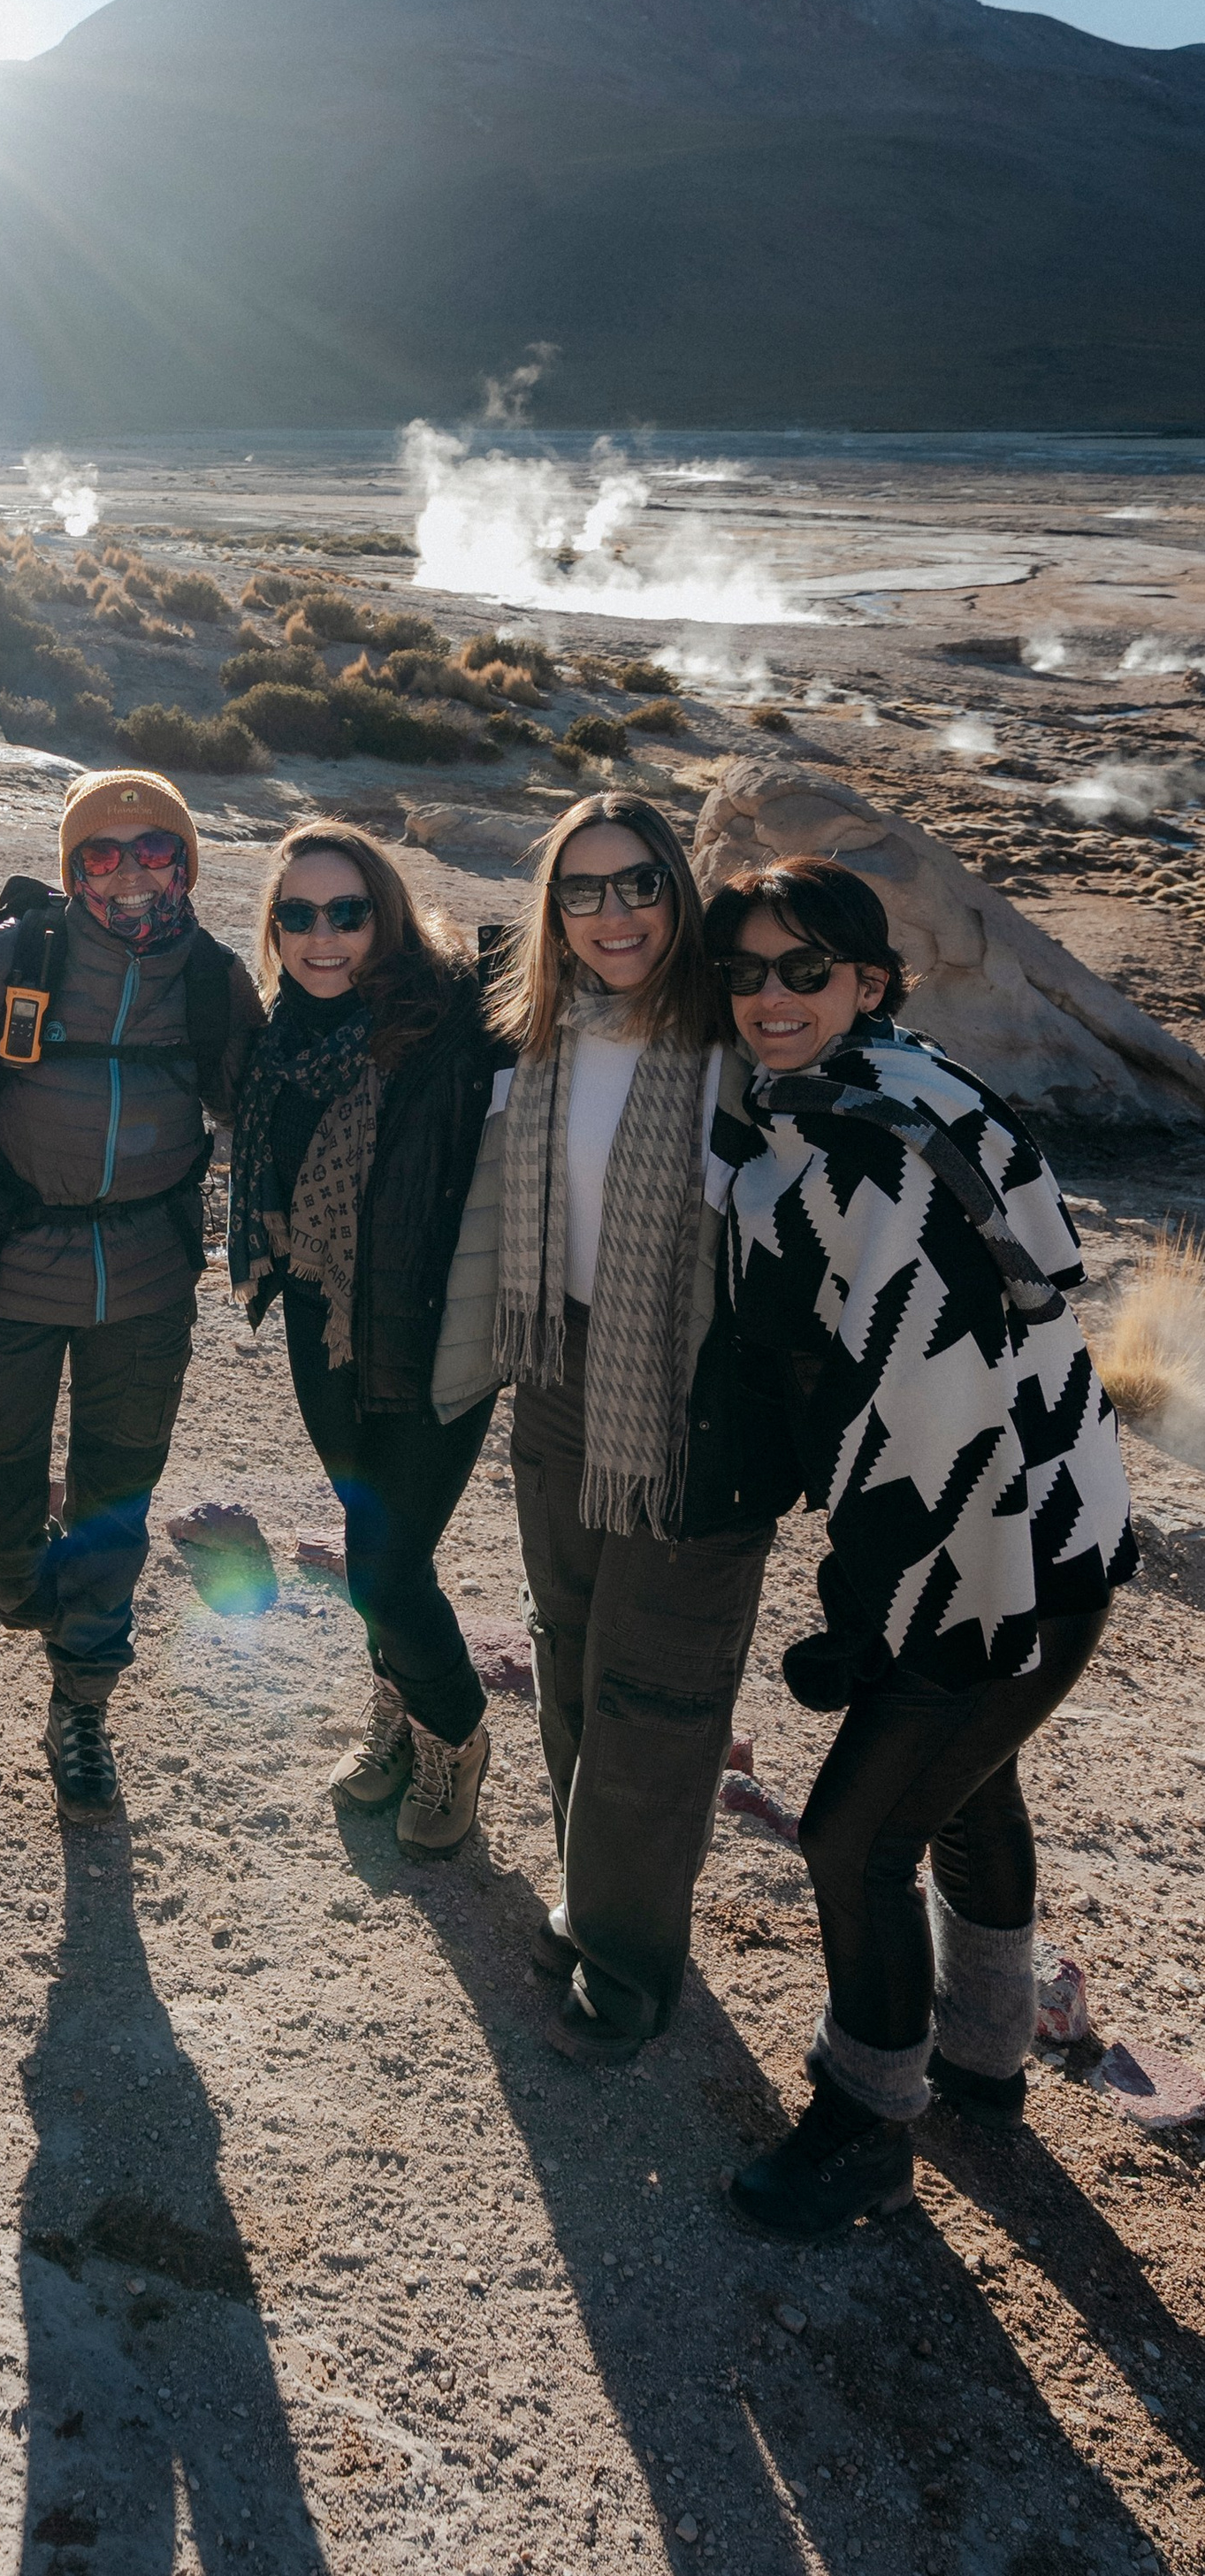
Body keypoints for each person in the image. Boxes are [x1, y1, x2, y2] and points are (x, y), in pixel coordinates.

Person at [705, 856, 1135, 2236]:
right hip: (1060, 1530)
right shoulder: (901, 1088)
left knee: (854, 1838)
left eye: (804, 970)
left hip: (991, 1552)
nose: (769, 997)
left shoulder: (867, 1143)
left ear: (871, 982)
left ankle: (863, 2126)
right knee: (968, 1791)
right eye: (744, 971)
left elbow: (932, 1403)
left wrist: (888, 1612)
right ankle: (985, 2061)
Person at [432, 791, 793, 2063]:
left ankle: (631, 1965)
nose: (612, 914)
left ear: (677, 893)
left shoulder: (741, 1040)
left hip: (695, 1400)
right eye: (580, 890)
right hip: (561, 1373)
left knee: (662, 1688)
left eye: (638, 883)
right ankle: (597, 1900)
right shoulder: (542, 1031)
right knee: (572, 1651)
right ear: (554, 911)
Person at [0, 768, 263, 1820]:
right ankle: (44, 1603)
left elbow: (266, 1106)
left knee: (112, 1507)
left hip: (148, 1287)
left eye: (155, 849)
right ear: (74, 867)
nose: (130, 871)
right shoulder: (13, 959)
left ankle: (81, 1701)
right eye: (103, 853)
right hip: (8, 1279)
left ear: (185, 865)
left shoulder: (213, 981)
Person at [229, 824, 502, 1850]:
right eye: (296, 915)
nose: (323, 937)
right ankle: (398, 1707)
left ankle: (456, 1733)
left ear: (385, 916)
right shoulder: (279, 1041)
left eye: (348, 912)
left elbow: (547, 981)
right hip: (324, 1319)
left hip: (435, 1331)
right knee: (366, 1538)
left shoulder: (449, 1022)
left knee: (386, 1567)